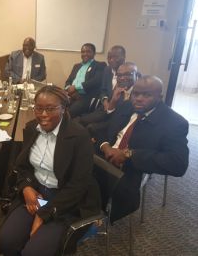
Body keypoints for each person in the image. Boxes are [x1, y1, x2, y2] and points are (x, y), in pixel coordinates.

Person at [0, 85, 101, 255]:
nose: (43, 115)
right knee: (7, 242)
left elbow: (78, 185)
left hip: (65, 202)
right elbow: (22, 166)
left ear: (63, 109)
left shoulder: (79, 136)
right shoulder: (32, 128)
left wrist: (44, 213)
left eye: (50, 109)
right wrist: (26, 187)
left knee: (34, 252)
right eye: (39, 108)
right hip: (37, 195)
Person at [96, 75, 189, 222]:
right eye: (136, 93)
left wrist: (129, 154)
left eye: (146, 95)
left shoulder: (174, 123)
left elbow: (178, 164)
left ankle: (89, 219)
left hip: (131, 169)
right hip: (104, 155)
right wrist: (106, 146)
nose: (138, 99)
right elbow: (106, 127)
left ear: (160, 97)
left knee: (86, 184)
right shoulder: (127, 105)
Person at [77, 62, 139, 137]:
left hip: (123, 123)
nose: (122, 78)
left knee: (91, 127)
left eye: (127, 74)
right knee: (79, 121)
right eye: (119, 75)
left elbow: (126, 117)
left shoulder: (139, 92)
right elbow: (109, 111)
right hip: (110, 114)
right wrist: (113, 100)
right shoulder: (120, 88)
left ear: (137, 75)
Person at [64, 43, 106, 118]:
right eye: (83, 52)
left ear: (94, 53)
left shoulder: (100, 65)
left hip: (86, 97)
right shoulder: (76, 66)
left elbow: (96, 81)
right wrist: (68, 88)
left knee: (69, 113)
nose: (85, 54)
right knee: (57, 107)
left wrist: (76, 87)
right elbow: (68, 81)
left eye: (88, 51)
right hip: (71, 95)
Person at [99, 45, 126, 111]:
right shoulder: (107, 70)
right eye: (109, 57)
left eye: (116, 57)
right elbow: (103, 90)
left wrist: (112, 105)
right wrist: (105, 103)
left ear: (124, 57)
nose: (111, 60)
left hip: (119, 109)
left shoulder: (130, 73)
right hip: (106, 106)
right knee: (83, 119)